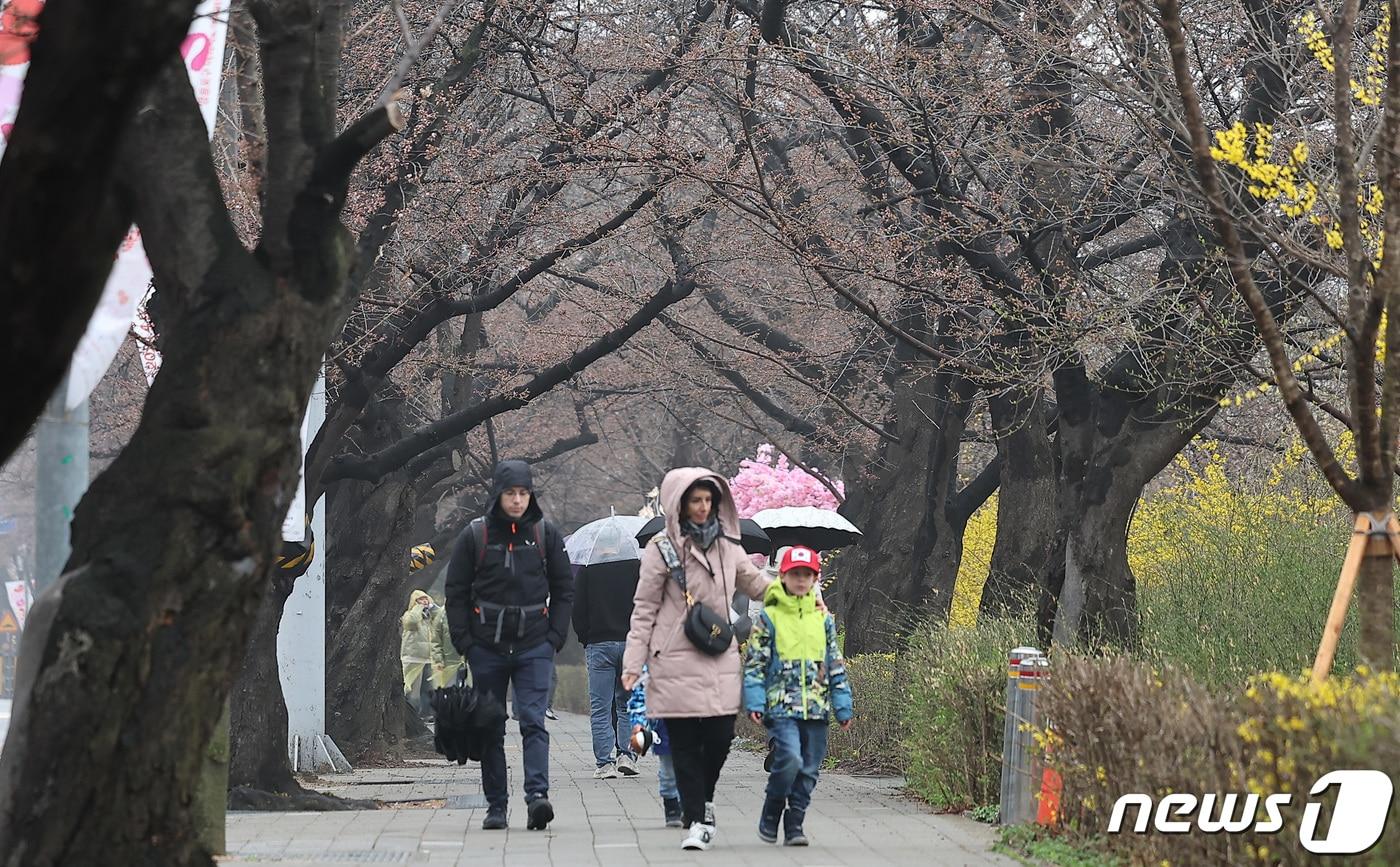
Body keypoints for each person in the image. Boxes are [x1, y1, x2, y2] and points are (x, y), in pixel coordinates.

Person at [622, 467, 770, 851]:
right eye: (695, 501)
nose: (703, 508)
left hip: (718, 653)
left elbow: (755, 583)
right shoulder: (661, 549)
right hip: (674, 657)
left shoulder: (727, 546)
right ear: (679, 504)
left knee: (721, 737)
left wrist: (799, 593)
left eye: (708, 500)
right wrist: (632, 663)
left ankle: (702, 800)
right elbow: (643, 609)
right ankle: (698, 820)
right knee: (684, 743)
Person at [446, 459, 573, 832]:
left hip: (536, 643)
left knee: (534, 721)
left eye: (523, 493)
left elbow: (565, 589)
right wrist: (464, 641)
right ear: (498, 495)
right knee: (490, 726)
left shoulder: (545, 534)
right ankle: (496, 806)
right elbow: (455, 592)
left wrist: (555, 637)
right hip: (486, 646)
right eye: (510, 493)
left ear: (530, 495)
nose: (517, 500)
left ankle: (537, 798)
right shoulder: (475, 536)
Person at [743, 546, 853, 847]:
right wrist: (754, 700)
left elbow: (835, 663)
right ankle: (772, 808)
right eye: (795, 574)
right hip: (782, 707)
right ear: (784, 577)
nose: (801, 580)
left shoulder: (823, 619)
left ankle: (795, 823)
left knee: (809, 770)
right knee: (789, 759)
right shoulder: (770, 617)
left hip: (817, 708)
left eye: (807, 575)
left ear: (815, 578)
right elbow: (755, 663)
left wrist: (843, 705)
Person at [573, 548, 642, 779]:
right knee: (627, 704)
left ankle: (605, 764)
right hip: (631, 643)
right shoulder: (635, 567)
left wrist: (585, 637)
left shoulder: (588, 570)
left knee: (601, 707)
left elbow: (578, 608)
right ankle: (628, 756)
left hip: (599, 644)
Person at [626, 669, 684, 827]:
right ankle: (671, 802)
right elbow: (641, 691)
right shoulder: (653, 657)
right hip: (664, 722)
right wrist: (638, 722)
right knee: (668, 770)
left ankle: (688, 803)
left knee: (691, 766)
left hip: (693, 718)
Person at [401, 590, 437, 717]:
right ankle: (410, 717)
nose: (424, 602)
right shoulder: (409, 615)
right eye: (420, 599)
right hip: (413, 659)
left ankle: (428, 715)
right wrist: (418, 609)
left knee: (428, 690)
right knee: (412, 693)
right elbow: (412, 622)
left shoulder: (430, 618)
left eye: (426, 599)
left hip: (428, 659)